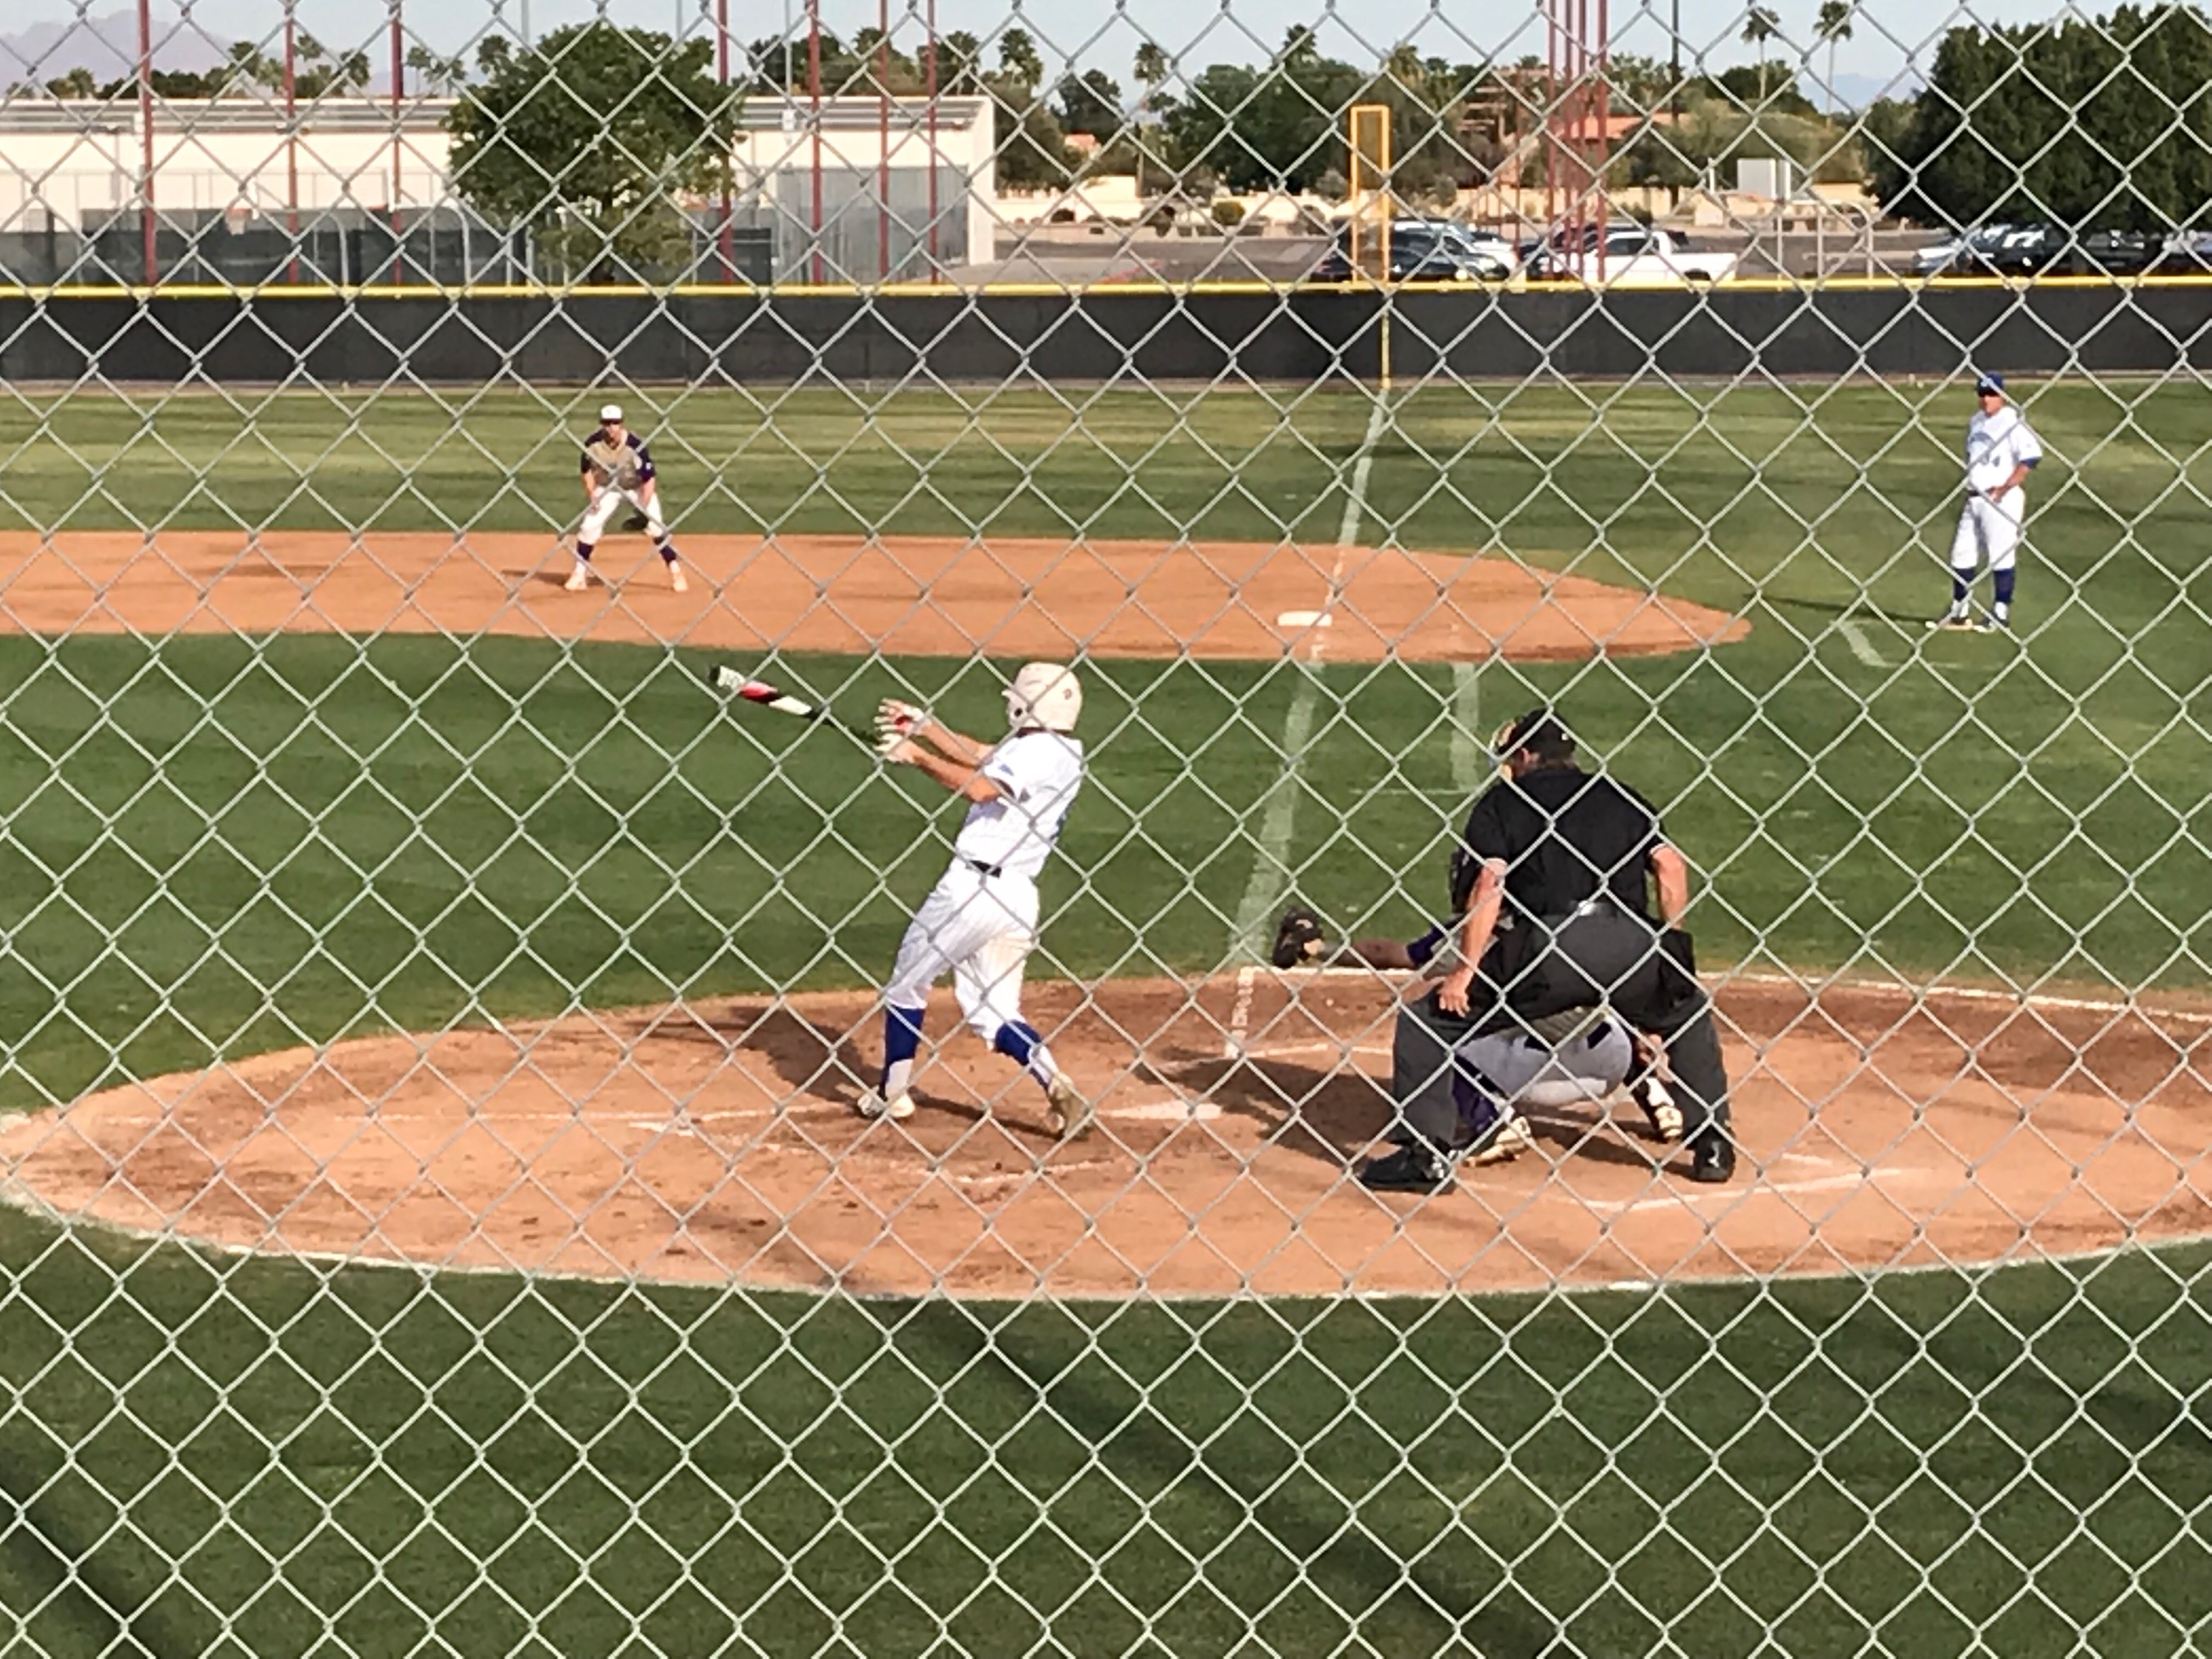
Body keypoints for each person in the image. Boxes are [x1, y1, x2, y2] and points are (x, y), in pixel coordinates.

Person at [1356, 709, 1736, 1193]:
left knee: (1427, 1024)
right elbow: (1670, 868)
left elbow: (1490, 884)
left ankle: (1425, 1156)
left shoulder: (1505, 802)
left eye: (1512, 759)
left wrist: (1465, 973)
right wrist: (1670, 955)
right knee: (1687, 1013)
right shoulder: (1622, 795)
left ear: (1525, 754)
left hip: (1549, 948)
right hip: (1633, 943)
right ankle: (1713, 1143)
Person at [863, 663, 1091, 1138]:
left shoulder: (1035, 754)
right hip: (1018, 897)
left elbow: (982, 786)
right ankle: (1055, 1081)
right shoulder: (1060, 749)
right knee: (995, 1009)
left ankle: (892, 1093)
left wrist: (916, 757)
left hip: (971, 890)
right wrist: (926, 728)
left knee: (907, 984)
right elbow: (987, 756)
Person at [1928, 370, 2041, 634]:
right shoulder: (1976, 422)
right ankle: (1960, 610)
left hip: (2001, 499)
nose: (1986, 399)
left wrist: (2006, 486)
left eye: (1991, 394)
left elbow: (2031, 457)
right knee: (1961, 553)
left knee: (2001, 555)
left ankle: (2001, 611)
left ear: (2001, 395)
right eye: (1982, 394)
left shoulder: (2012, 421)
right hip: (1974, 497)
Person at [567, 404, 689, 593]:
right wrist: (592, 495)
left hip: (637, 488)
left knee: (656, 527)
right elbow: (587, 471)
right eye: (607, 423)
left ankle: (676, 571)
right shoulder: (593, 444)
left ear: (622, 424)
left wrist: (644, 507)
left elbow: (649, 479)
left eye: (615, 423)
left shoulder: (635, 445)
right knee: (589, 527)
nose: (611, 427)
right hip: (607, 488)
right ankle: (579, 574)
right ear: (601, 424)